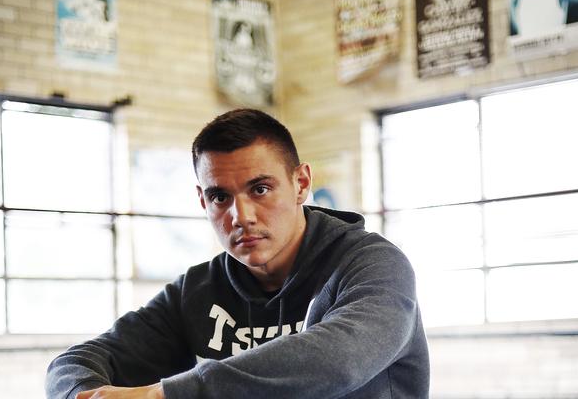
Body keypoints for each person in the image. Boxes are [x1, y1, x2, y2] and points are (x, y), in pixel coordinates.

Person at [45, 109, 430, 399]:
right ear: (202, 200)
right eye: (220, 197)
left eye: (260, 189)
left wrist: (164, 395)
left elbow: (339, 360)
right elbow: (75, 362)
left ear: (301, 184)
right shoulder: (197, 290)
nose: (240, 216)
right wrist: (85, 395)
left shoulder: (373, 265)